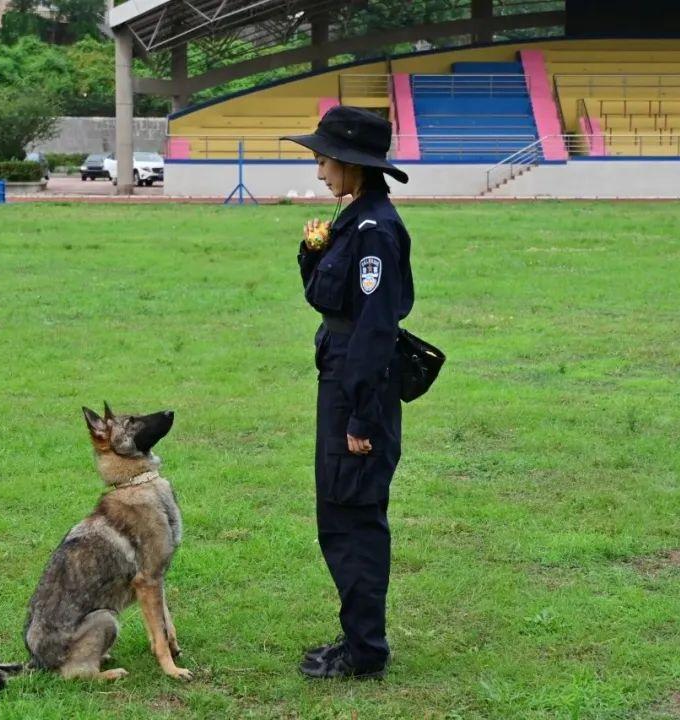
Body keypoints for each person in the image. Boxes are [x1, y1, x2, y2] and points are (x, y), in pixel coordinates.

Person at [282, 106, 414, 680]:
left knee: (352, 517)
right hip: (341, 382)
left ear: (352, 164)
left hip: (358, 390)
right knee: (339, 514)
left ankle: (365, 652)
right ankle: (358, 637)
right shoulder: (353, 220)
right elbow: (332, 300)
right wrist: (312, 254)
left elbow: (374, 329)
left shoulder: (374, 229)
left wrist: (361, 418)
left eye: (323, 158)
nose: (318, 171)